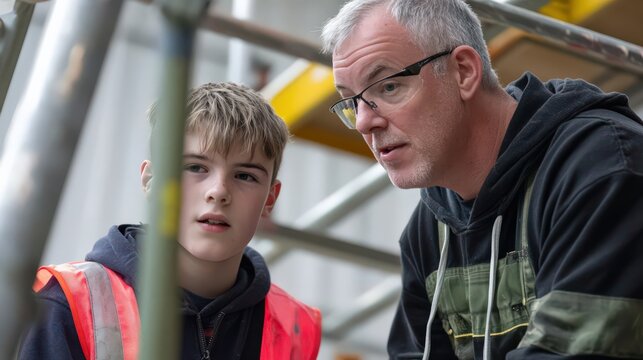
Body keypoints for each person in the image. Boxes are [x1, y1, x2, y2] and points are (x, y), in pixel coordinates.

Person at [322, 0, 643, 359]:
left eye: (388, 87)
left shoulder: (600, 167)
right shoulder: (429, 231)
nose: (365, 122)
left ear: (463, 71)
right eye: (352, 102)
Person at [18, 82, 322, 359]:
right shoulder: (69, 303)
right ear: (150, 181)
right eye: (195, 167)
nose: (218, 192)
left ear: (270, 198)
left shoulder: (295, 328)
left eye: (245, 175)